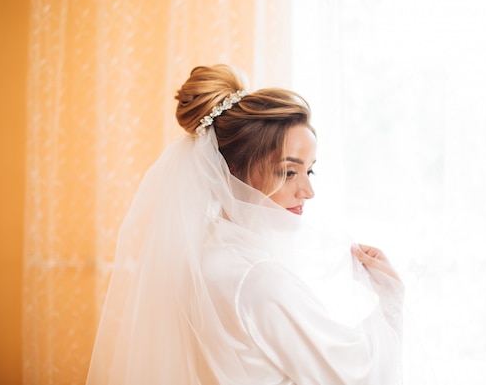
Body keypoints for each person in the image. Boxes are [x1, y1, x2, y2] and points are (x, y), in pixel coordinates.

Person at [86, 64, 404, 385]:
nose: (308, 191)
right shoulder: (260, 280)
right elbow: (353, 375)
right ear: (234, 168)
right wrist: (391, 297)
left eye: (310, 171)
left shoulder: (199, 255)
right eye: (288, 171)